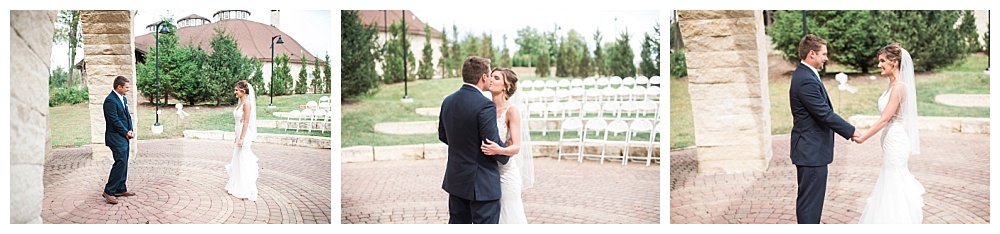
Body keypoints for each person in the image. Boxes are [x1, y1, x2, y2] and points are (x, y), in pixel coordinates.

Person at [788, 34, 859, 224]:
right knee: (810, 204)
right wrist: (851, 131)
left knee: (810, 201)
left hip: (810, 150)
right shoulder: (806, 80)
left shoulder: (806, 74)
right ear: (812, 53)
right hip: (810, 151)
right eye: (824, 54)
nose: (826, 58)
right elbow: (824, 114)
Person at [853, 43, 925, 224]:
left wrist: (863, 137)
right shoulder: (891, 84)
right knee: (889, 181)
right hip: (889, 141)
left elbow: (885, 119)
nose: (879, 65)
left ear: (894, 62)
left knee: (894, 183)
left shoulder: (899, 87)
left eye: (882, 61)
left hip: (896, 142)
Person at [439, 56, 509, 224]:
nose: (491, 79)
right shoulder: (485, 105)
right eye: (490, 75)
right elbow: (489, 141)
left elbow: (443, 135)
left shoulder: (448, 101)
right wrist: (505, 154)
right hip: (482, 184)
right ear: (483, 77)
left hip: (456, 179)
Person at [481, 67, 535, 224]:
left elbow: (516, 147)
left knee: (509, 215)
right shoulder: (484, 108)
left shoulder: (511, 111)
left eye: (496, 78)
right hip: (487, 172)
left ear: (506, 86)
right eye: (491, 76)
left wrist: (500, 150)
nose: (491, 79)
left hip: (505, 173)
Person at [102, 75, 136, 204]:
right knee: (120, 162)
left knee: (124, 161)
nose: (128, 89)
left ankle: (120, 188)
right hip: (115, 137)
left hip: (124, 136)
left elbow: (127, 116)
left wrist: (130, 129)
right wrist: (125, 132)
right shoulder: (110, 101)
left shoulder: (123, 99)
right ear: (119, 87)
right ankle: (109, 191)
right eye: (126, 87)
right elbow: (114, 120)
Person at [226, 80, 259, 201]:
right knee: (238, 160)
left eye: (236, 90)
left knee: (243, 160)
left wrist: (241, 138)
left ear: (243, 91)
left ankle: (246, 188)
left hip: (244, 135)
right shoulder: (240, 102)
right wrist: (237, 136)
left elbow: (246, 122)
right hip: (239, 133)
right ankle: (237, 185)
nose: (234, 92)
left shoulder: (247, 104)